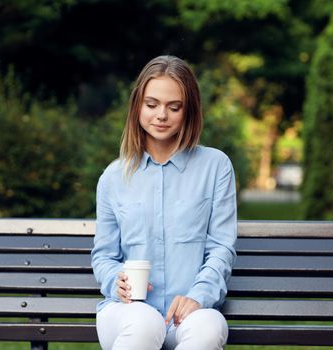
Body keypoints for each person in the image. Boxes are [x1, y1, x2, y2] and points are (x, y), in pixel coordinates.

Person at [91, 55, 237, 350]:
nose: (161, 115)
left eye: (174, 107)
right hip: (128, 314)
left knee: (209, 328)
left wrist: (199, 296)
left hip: (191, 314)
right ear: (137, 107)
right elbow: (104, 255)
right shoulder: (113, 177)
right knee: (145, 323)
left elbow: (221, 247)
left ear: (188, 111)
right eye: (152, 104)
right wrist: (113, 280)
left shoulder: (216, 166)